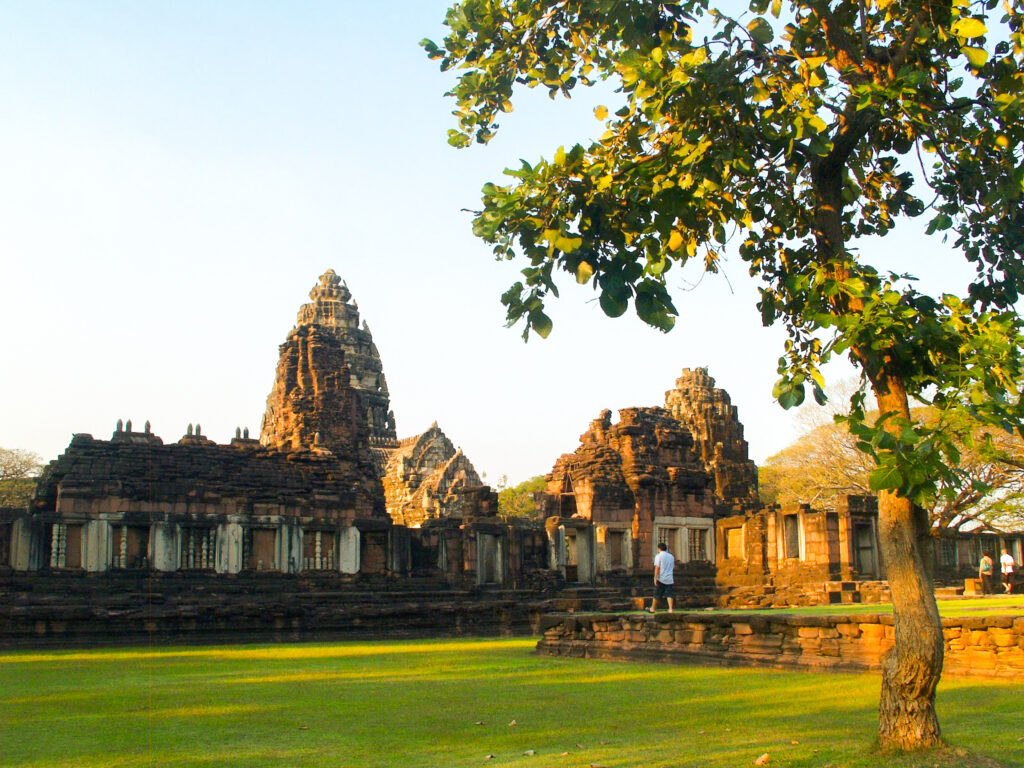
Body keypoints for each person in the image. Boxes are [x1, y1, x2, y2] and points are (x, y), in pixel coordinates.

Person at [650, 541, 675, 614]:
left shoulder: (659, 556)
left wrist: (655, 578)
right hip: (669, 578)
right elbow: (672, 567)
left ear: (659, 549)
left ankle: (653, 608)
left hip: (661, 578)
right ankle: (670, 609)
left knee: (657, 594)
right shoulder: (671, 556)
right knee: (669, 594)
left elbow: (657, 567)